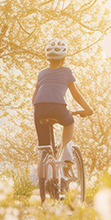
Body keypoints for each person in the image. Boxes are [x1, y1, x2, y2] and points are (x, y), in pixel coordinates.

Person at [32, 38, 94, 166]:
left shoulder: (42, 73)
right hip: (58, 107)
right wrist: (87, 109)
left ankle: (43, 172)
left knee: (44, 147)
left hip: (39, 109)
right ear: (63, 58)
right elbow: (75, 94)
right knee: (69, 123)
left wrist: (40, 109)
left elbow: (34, 98)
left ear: (48, 59)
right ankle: (65, 154)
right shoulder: (66, 71)